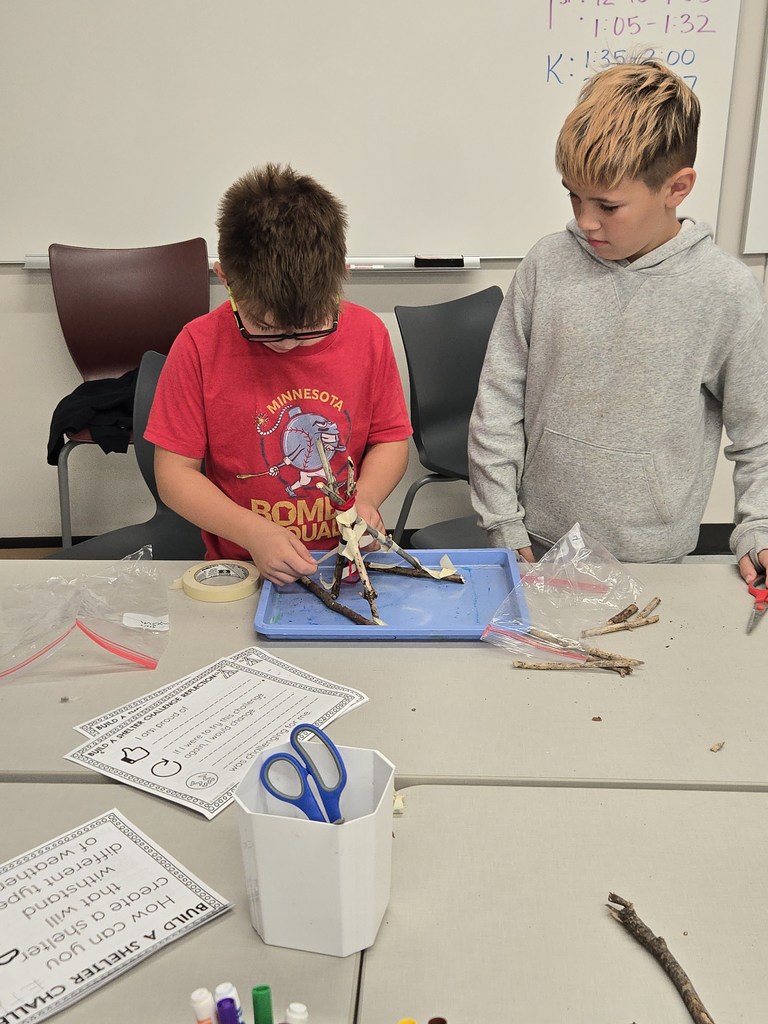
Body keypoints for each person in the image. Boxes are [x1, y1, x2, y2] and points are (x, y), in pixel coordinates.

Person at [468, 59, 768, 586]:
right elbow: (497, 403)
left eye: (608, 205)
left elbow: (758, 435)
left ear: (677, 188)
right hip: (535, 544)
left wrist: (760, 530)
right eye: (574, 196)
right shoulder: (546, 264)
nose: (585, 220)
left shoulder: (726, 291)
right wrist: (503, 526)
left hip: (655, 562)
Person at [145, 164, 411, 585]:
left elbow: (390, 439)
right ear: (225, 279)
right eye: (266, 328)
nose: (288, 343)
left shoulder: (367, 335)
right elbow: (174, 474)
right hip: (246, 569)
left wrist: (367, 500)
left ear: (340, 275)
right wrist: (253, 532)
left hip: (349, 564)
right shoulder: (199, 346)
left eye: (309, 328)